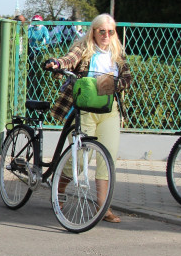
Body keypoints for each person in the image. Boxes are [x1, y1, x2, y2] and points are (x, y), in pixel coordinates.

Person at [43, 13, 133, 223]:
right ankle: (59, 188)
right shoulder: (83, 48)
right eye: (102, 31)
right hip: (84, 110)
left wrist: (105, 85)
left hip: (108, 110)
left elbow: (127, 78)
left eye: (110, 31)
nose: (106, 35)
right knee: (81, 158)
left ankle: (103, 207)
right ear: (93, 31)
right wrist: (57, 63)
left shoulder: (117, 53)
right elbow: (69, 60)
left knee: (107, 158)